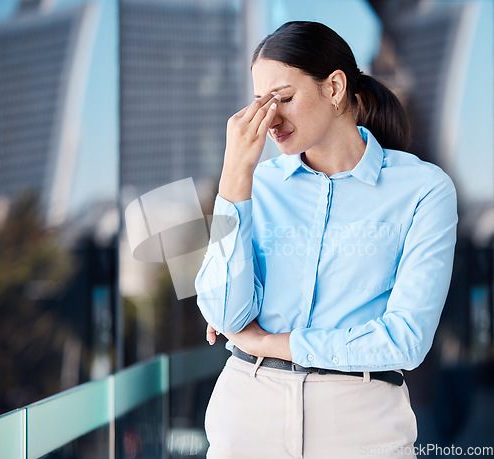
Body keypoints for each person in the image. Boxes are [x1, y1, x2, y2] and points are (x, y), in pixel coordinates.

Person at [195, 21, 457, 459]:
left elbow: (405, 340)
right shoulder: (253, 184)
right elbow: (223, 311)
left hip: (361, 425)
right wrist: (233, 180)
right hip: (248, 414)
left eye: (283, 98)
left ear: (334, 88)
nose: (270, 118)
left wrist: (272, 342)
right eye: (261, 102)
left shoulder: (424, 190)